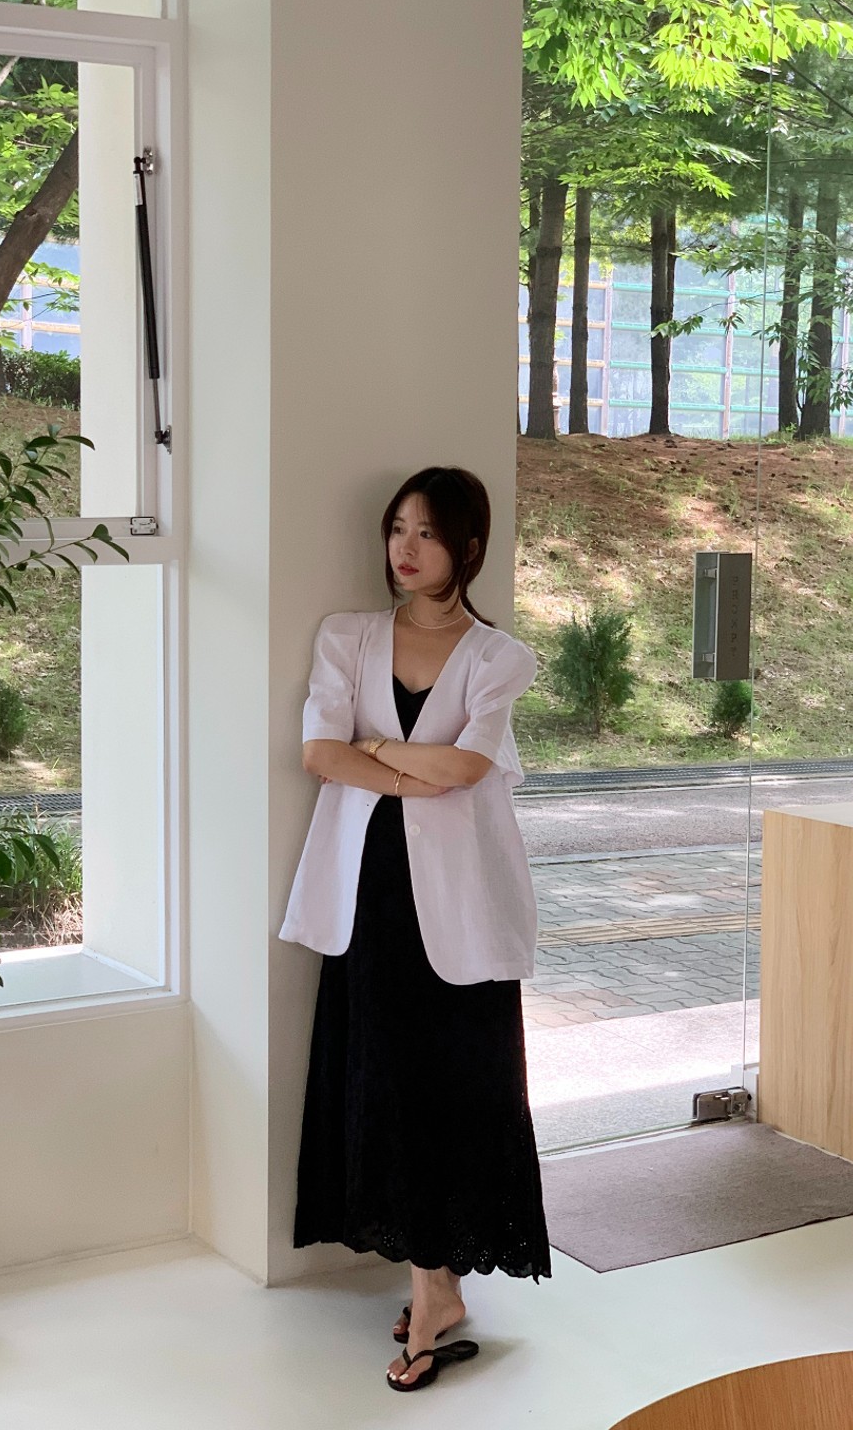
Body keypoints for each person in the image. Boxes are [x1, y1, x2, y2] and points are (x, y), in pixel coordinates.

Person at [279, 466, 551, 1393]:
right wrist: (407, 771)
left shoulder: (498, 656)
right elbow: (319, 752)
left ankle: (438, 1290)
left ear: (468, 548)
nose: (406, 547)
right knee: (383, 1081)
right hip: (368, 897)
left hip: (462, 904)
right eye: (399, 527)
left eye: (428, 533)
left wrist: (377, 752)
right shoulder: (347, 636)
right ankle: (434, 1287)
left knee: (457, 1087)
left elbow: (469, 768)